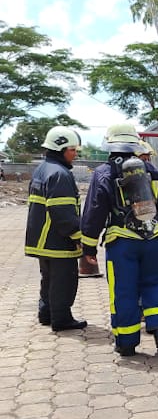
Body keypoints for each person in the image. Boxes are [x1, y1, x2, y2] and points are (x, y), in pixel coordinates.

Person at [81, 124, 158, 356]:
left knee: (123, 290)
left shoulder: (104, 173)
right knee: (153, 283)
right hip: (152, 241)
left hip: (122, 244)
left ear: (110, 144)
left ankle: (126, 342)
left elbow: (94, 213)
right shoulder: (152, 171)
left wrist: (89, 246)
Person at [24, 126, 87, 331]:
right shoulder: (60, 174)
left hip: (43, 239)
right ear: (60, 149)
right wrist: (78, 237)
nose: (75, 154)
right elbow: (63, 213)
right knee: (64, 280)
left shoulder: (42, 169)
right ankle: (61, 319)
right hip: (58, 240)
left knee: (49, 279)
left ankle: (46, 314)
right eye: (72, 150)